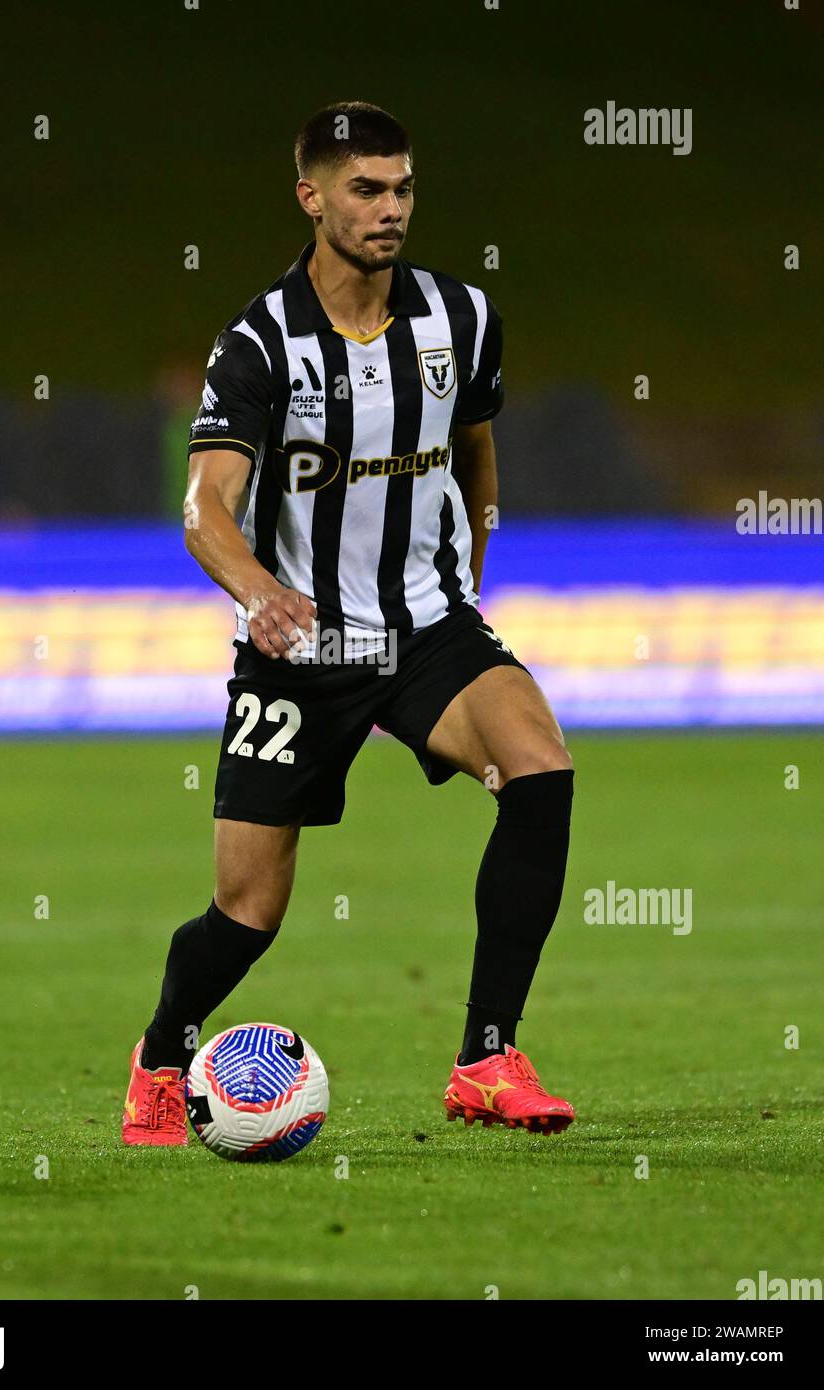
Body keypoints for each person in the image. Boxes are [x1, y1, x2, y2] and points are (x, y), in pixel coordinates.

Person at [122, 101, 575, 1146]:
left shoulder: (459, 316)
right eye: (365, 190)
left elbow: (474, 450)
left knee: (538, 766)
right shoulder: (258, 343)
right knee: (247, 913)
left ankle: (485, 1058)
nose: (389, 209)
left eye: (402, 188)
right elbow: (205, 509)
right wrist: (258, 594)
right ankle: (159, 1053)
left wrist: (470, 565)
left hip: (421, 622)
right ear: (311, 197)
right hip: (300, 648)